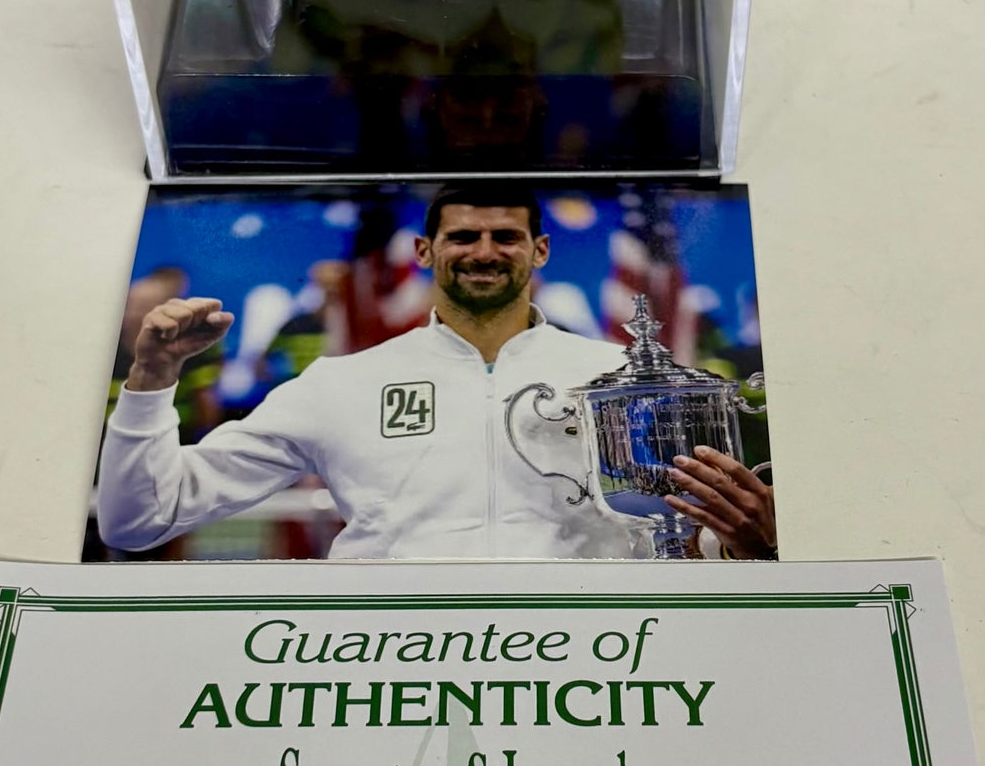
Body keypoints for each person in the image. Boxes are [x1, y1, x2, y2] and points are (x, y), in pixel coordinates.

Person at [98, 186, 776, 562]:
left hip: (591, 660)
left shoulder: (620, 376)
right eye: (462, 237)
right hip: (391, 670)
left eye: (505, 236)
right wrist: (151, 377)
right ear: (425, 251)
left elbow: (687, 534)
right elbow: (140, 518)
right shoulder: (340, 383)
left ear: (539, 250)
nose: (484, 251)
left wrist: (745, 545)